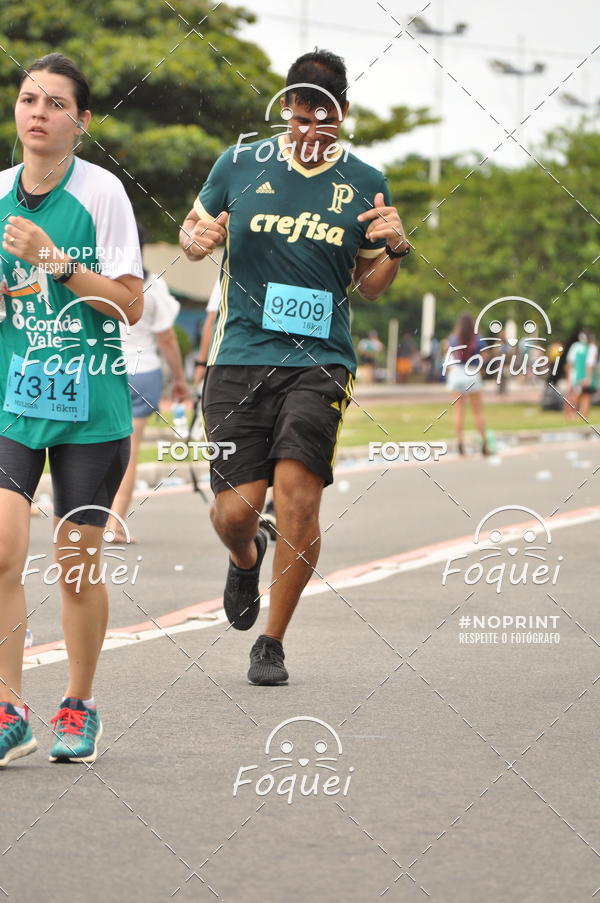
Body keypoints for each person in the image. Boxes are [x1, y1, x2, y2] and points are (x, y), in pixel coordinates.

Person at [179, 49, 409, 685]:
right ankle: (245, 557)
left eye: (323, 121)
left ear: (342, 118)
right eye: (300, 117)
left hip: (320, 362)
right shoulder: (240, 163)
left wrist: (394, 246)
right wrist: (196, 240)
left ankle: (272, 642)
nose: (309, 132)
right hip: (239, 356)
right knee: (235, 511)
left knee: (298, 499)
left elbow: (372, 286)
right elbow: (194, 232)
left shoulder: (365, 181)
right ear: (285, 109)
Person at [0, 54, 143, 767]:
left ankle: (78, 705)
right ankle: (10, 708)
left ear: (80, 123)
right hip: (14, 403)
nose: (38, 112)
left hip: (91, 404)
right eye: (29, 98)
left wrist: (58, 262)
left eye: (56, 103)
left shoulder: (103, 193)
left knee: (76, 567)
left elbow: (130, 302)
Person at [106, 227, 188, 543]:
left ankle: (86, 521)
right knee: (129, 449)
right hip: (142, 370)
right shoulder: (153, 285)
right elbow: (166, 338)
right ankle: (114, 525)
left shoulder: (95, 280)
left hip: (103, 369)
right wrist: (179, 379)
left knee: (94, 447)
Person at [445, 313, 489, 455]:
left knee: (458, 411)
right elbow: (485, 356)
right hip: (472, 372)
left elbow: (448, 354)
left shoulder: (453, 339)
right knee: (477, 412)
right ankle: (484, 444)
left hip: (457, 373)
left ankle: (459, 443)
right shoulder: (478, 339)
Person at [565, 330, 598, 420]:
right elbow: (589, 365)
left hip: (578, 377)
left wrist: (569, 379)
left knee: (580, 396)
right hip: (580, 378)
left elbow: (569, 364)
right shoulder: (591, 348)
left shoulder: (576, 346)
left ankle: (575, 416)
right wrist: (588, 378)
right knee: (579, 396)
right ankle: (573, 416)